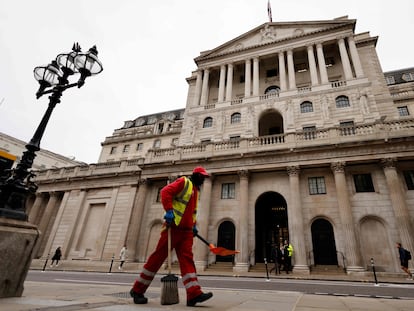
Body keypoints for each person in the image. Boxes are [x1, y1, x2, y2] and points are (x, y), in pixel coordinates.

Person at [130, 166, 213, 306]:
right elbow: (165, 191)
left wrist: (193, 226)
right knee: (157, 258)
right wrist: (169, 210)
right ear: (196, 175)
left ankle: (194, 294)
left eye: (205, 177)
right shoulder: (184, 182)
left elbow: (191, 212)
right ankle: (137, 290)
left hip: (186, 232)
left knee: (187, 260)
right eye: (202, 177)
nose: (203, 180)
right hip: (173, 227)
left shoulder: (196, 191)